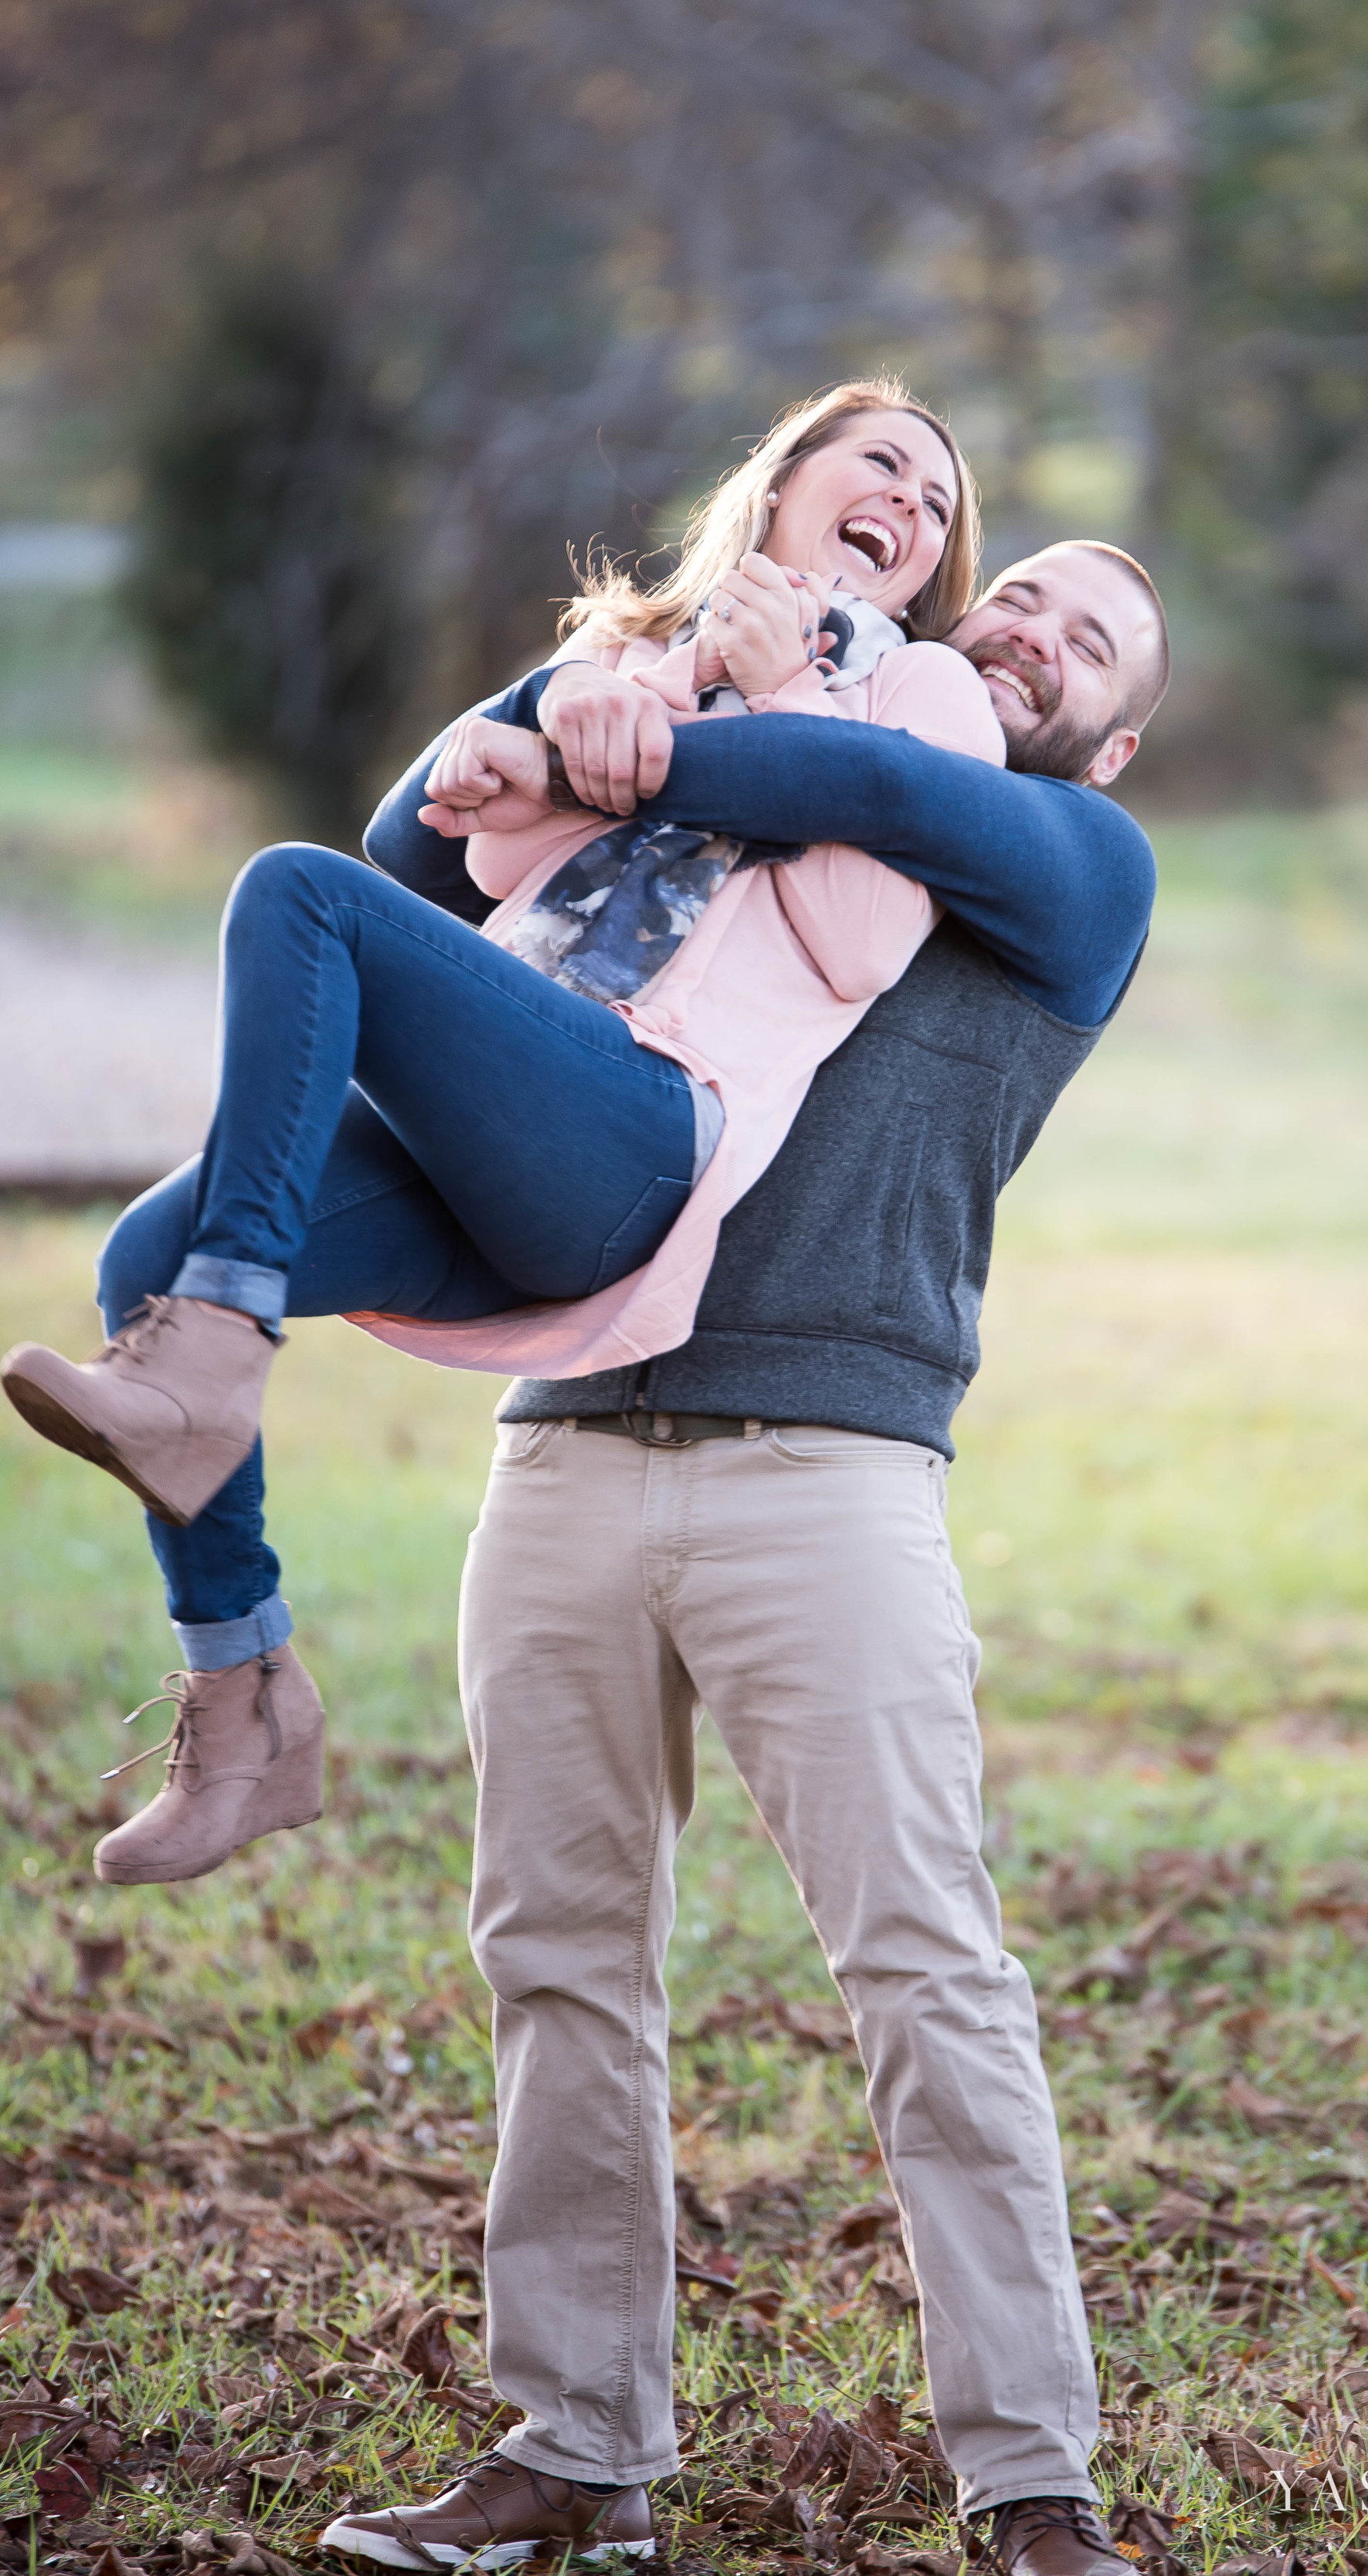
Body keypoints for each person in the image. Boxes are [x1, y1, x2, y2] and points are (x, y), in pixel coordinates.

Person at [317, 537, 1167, 2576]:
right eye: (1026, 587)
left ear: (1115, 738)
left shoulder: (1061, 861)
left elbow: (871, 795)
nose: (1034, 623)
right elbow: (397, 855)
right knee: (555, 1960)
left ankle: (1034, 2489)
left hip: (835, 1461)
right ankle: (575, 2447)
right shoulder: (761, 746)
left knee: (924, 1967)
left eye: (1092, 639)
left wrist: (655, 712)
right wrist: (595, 695)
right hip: (570, 1445)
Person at [0, 380, 1006, 1888]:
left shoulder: (923, 700)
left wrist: (782, 687)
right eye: (884, 468)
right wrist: (539, 731)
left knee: (300, 891)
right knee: (151, 1249)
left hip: (642, 1136)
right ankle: (246, 1697)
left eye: (937, 511)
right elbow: (483, 854)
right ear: (784, 481)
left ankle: (218, 1353)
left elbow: (859, 941)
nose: (911, 513)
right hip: (506, 1101)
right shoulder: (634, 658)